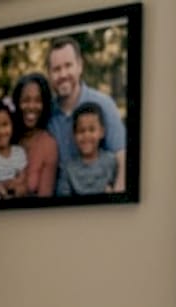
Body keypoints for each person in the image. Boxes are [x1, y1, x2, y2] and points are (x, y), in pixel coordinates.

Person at [45, 36, 126, 192]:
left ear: (80, 66)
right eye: (56, 69)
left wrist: (117, 196)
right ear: (49, 74)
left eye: (68, 66)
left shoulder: (103, 104)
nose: (63, 74)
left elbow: (122, 155)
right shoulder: (47, 114)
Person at [10, 73, 58, 197]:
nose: (31, 106)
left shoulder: (48, 145)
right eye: (26, 100)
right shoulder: (7, 136)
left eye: (38, 100)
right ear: (17, 103)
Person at [56, 102, 119, 196]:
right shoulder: (68, 169)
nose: (86, 135)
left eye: (92, 130)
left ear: (101, 132)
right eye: (81, 131)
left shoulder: (111, 162)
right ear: (74, 135)